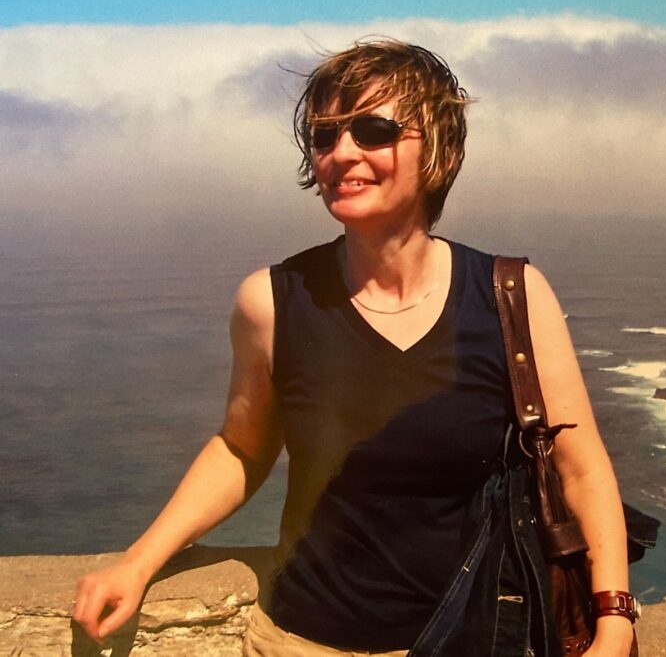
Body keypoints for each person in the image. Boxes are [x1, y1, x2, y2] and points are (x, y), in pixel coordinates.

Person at [73, 39, 635, 656]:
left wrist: (614, 617)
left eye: (372, 130)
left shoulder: (510, 295)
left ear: (439, 150)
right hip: (298, 642)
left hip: (466, 639)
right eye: (325, 136)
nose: (342, 153)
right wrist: (138, 561)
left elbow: (579, 468)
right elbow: (240, 448)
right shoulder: (272, 301)